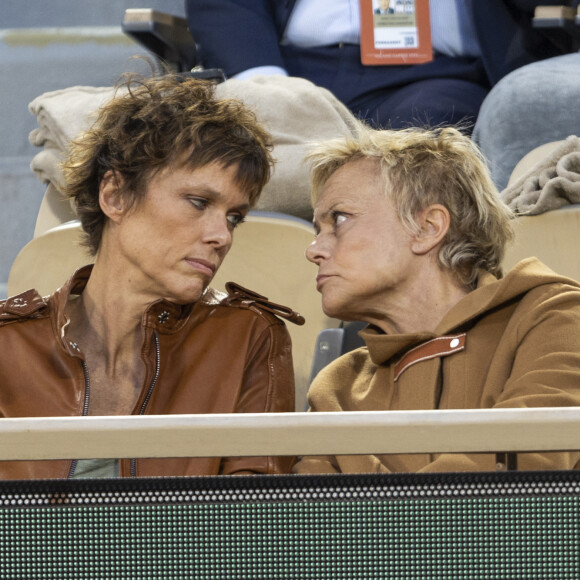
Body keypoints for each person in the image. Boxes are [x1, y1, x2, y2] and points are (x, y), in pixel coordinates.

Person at [0, 73, 303, 480]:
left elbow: (248, 528)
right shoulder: (8, 344)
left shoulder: (247, 337)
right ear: (115, 196)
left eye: (234, 217)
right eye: (198, 202)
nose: (222, 236)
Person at [293, 124, 580, 474]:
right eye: (316, 231)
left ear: (428, 227)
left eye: (339, 219)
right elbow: (315, 524)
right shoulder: (336, 386)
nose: (314, 250)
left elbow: (520, 487)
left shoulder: (554, 316)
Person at [186, 0, 569, 134]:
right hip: (293, 70)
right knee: (244, 132)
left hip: (436, 76)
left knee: (425, 129)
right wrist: (263, 87)